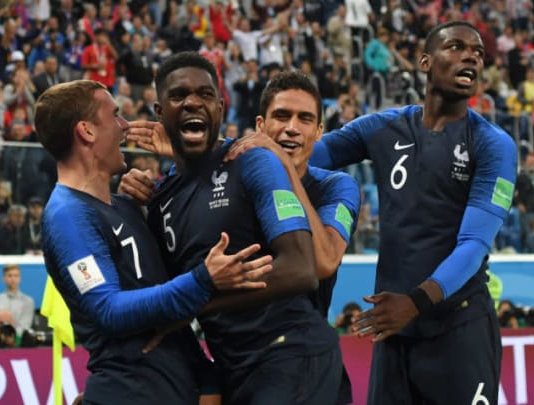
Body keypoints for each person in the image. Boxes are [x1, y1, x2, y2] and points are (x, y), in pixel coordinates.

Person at [307, 21, 518, 404]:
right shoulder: (384, 127)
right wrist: (224, 150)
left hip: (459, 329)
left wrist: (416, 302)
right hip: (396, 329)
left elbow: (473, 245)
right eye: (455, 47)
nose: (471, 55)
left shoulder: (492, 144)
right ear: (424, 61)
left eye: (477, 53)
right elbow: (306, 156)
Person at [128, 70, 362, 404]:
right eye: (281, 116)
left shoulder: (335, 187)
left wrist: (278, 161)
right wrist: (153, 186)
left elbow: (321, 263)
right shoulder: (237, 173)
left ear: (319, 132)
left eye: (305, 119)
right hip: (234, 363)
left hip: (296, 357)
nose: (292, 127)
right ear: (261, 126)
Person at [34, 79, 272, 404]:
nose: (124, 126)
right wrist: (205, 279)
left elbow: (166, 298)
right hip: (129, 392)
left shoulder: (126, 205)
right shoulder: (67, 215)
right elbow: (108, 309)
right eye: (115, 116)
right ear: (87, 131)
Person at [0, 264, 36, 335]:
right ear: (3, 278)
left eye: (16, 276)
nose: (13, 279)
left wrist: (11, 331)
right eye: (10, 275)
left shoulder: (28, 301)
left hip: (18, 341)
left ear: (20, 278)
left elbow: (25, 327)